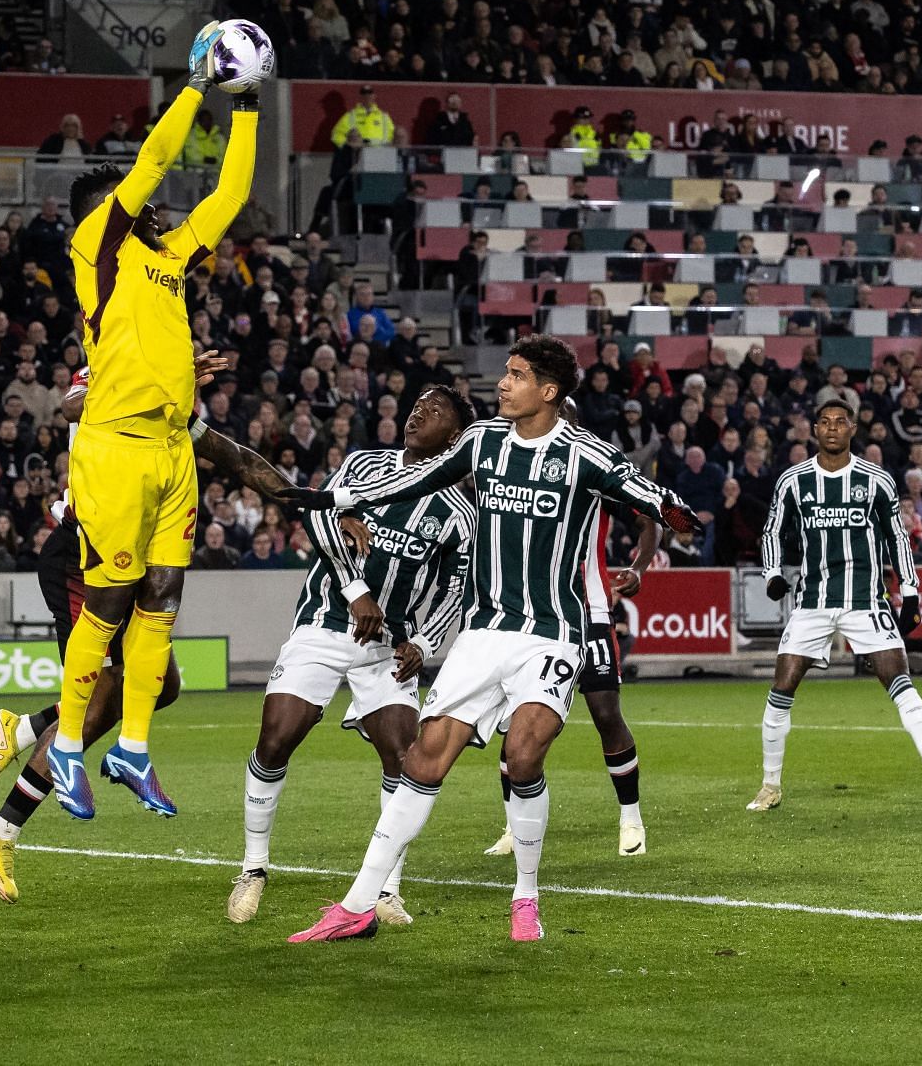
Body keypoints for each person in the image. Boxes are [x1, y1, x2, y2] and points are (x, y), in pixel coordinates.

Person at [281, 336, 698, 944]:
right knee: (424, 760)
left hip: (552, 635)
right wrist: (331, 498)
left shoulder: (587, 455)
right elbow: (410, 484)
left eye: (517, 375)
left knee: (523, 754)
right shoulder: (481, 443)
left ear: (548, 391)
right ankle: (357, 905)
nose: (502, 383)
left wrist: (670, 507)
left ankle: (525, 895)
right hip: (483, 633)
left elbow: (641, 492)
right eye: (505, 373)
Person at [0, 355, 279, 902]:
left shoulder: (175, 388)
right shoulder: (116, 361)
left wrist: (308, 497)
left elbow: (223, 450)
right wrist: (144, 377)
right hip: (85, 554)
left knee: (166, 685)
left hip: (137, 552)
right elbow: (70, 406)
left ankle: (17, 732)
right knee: (103, 699)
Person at [49, 29, 260, 821]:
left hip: (175, 448)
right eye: (135, 202)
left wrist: (246, 107)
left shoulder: (167, 256)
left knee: (163, 594)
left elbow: (229, 199)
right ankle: (69, 746)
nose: (156, 205)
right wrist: (199, 84)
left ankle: (132, 749)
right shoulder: (95, 243)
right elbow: (152, 165)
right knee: (108, 603)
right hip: (115, 449)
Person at [226, 386, 475, 927]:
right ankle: (253, 868)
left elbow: (454, 589)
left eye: (432, 413)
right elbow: (317, 519)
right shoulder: (364, 464)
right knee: (276, 737)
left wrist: (425, 642)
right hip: (325, 622)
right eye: (416, 407)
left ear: (453, 437)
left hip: (388, 646)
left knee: (405, 757)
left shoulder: (459, 513)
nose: (416, 415)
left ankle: (387, 888)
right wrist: (354, 589)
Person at [751, 400, 922, 814]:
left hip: (865, 600)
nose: (832, 428)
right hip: (812, 601)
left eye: (840, 422)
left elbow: (898, 538)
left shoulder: (877, 479)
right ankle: (769, 785)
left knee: (900, 682)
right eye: (825, 422)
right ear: (815, 429)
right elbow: (772, 530)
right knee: (782, 687)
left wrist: (912, 592)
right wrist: (773, 574)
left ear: (852, 428)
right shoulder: (793, 481)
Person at [484, 397, 660, 858]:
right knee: (517, 723)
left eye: (566, 417)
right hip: (531, 619)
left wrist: (639, 567)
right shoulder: (510, 470)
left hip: (589, 612)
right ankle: (510, 826)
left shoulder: (595, 472)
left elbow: (649, 521)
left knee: (606, 714)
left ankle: (631, 820)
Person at [329, 84, 397, 146]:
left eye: (370, 93)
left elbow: (394, 135)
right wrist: (348, 147)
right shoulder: (350, 116)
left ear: (374, 96)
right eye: (364, 94)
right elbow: (336, 134)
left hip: (380, 153)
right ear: (360, 97)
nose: (367, 96)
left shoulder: (384, 116)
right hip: (359, 153)